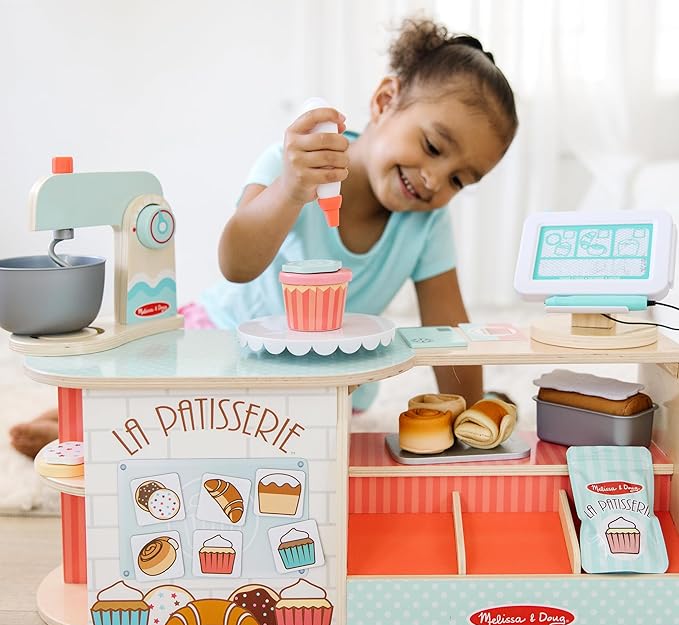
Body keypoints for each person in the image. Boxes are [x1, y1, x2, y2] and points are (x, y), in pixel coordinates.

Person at [10, 17, 518, 459]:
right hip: (223, 346)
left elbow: (450, 330)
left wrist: (472, 421)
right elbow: (235, 261)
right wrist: (291, 190)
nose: (435, 179)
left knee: (281, 448)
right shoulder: (293, 166)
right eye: (432, 146)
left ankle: (107, 420)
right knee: (172, 422)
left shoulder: (425, 223)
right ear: (385, 101)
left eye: (459, 180)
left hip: (320, 377)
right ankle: (87, 419)